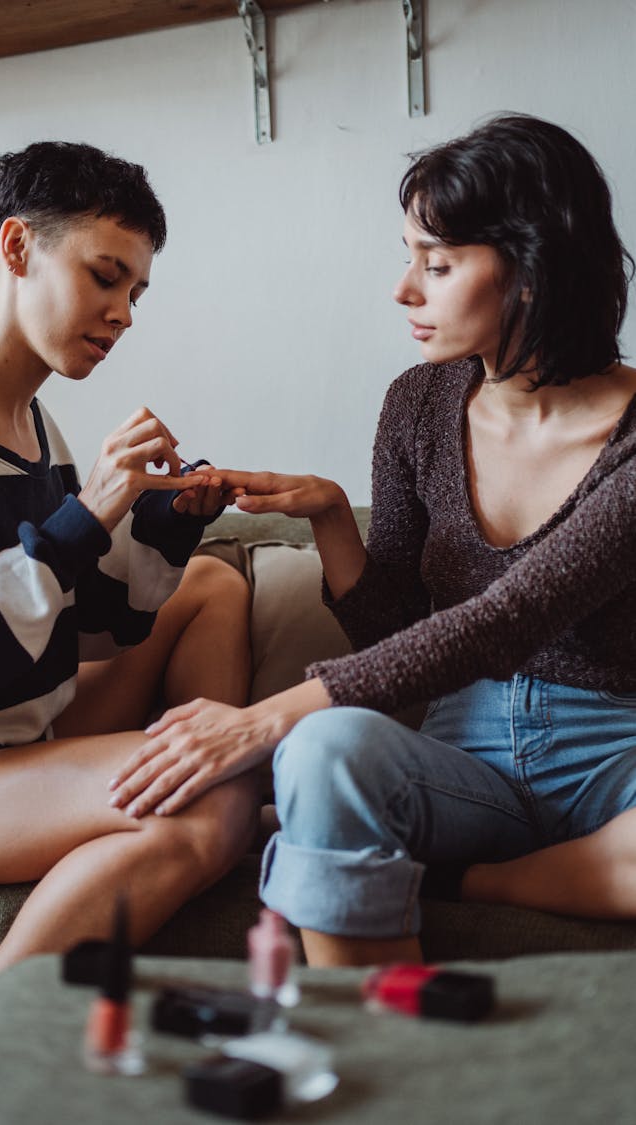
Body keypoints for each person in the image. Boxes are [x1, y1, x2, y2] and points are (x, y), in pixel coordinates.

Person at [106, 114, 636, 966]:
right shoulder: (417, 407)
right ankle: (374, 1059)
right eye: (409, 257)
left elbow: (511, 616)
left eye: (437, 263)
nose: (404, 289)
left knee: (296, 729)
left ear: (532, 269)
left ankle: (483, 881)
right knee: (324, 748)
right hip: (467, 763)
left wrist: (260, 720)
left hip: (614, 757)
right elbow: (397, 642)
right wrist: (328, 517)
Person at [0, 141, 257, 996]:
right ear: (18, 249)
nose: (124, 312)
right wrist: (80, 517)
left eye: (135, 291)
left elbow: (77, 633)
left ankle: (179, 790)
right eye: (104, 276)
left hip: (12, 736)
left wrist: (157, 522)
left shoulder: (37, 430)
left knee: (212, 587)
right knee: (214, 799)